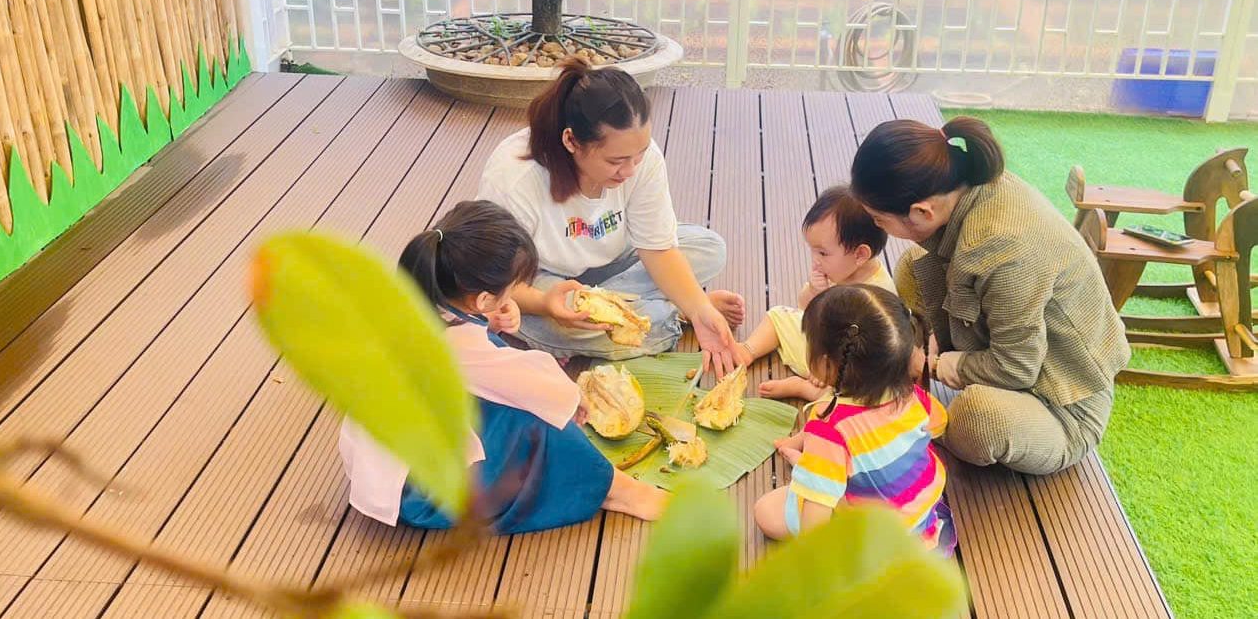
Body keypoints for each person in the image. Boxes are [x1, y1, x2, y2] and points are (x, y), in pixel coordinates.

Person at [339, 201, 667, 534]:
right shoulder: (452, 345)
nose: (512, 297)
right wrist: (572, 397)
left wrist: (489, 321)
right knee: (539, 425)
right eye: (510, 290)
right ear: (481, 299)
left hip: (388, 463)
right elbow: (525, 381)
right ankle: (620, 491)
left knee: (506, 378)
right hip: (422, 492)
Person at [850, 116, 1130, 475]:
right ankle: (915, 368)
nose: (877, 228)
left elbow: (1017, 367)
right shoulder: (968, 187)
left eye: (879, 220)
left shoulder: (1001, 249)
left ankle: (920, 412)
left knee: (977, 418)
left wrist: (935, 366)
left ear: (921, 212)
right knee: (913, 268)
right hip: (1019, 357)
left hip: (1062, 405)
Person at [478, 58, 746, 376]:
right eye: (616, 161)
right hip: (536, 279)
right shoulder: (515, 178)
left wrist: (700, 311)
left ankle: (640, 308)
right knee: (562, 324)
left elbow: (658, 249)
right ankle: (668, 314)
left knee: (708, 247)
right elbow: (492, 278)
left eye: (639, 156)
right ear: (571, 141)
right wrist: (546, 303)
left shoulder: (641, 159)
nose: (630, 170)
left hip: (614, 259)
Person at [754, 285, 954, 555]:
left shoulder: (829, 428)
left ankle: (813, 473)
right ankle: (814, 471)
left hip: (875, 549)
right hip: (920, 525)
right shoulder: (911, 394)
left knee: (766, 511)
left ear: (826, 363)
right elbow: (938, 423)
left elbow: (815, 523)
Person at [736, 186, 895, 402]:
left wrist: (829, 364)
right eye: (812, 250)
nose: (815, 260)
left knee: (862, 392)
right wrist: (814, 291)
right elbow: (803, 307)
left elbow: (868, 349)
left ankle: (806, 389)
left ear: (860, 254)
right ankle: (748, 350)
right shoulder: (841, 269)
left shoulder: (877, 294)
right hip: (821, 346)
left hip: (852, 364)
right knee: (779, 316)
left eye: (822, 253)